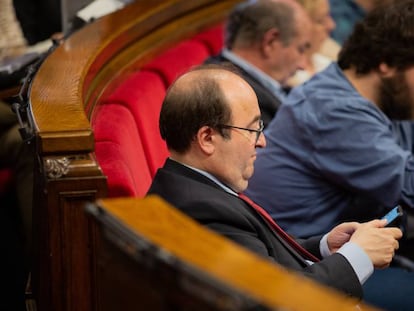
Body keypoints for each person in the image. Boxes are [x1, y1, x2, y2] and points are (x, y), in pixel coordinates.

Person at [147, 63, 402, 300]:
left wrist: (324, 246)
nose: (262, 141)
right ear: (207, 139)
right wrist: (358, 256)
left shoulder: (192, 186)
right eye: (252, 129)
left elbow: (261, 253)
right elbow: (280, 296)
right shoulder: (204, 212)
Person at [245, 2, 414, 309]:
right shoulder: (335, 110)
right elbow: (409, 186)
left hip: (346, 249)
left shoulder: (391, 100)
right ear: (387, 62)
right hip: (303, 267)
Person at [205, 0, 312, 127]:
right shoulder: (235, 98)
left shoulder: (256, 83)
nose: (303, 65)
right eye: (301, 49)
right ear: (270, 42)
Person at [287, 0, 336, 87]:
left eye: (329, 16)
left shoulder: (329, 61)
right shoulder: (286, 75)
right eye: (320, 21)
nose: (331, 25)